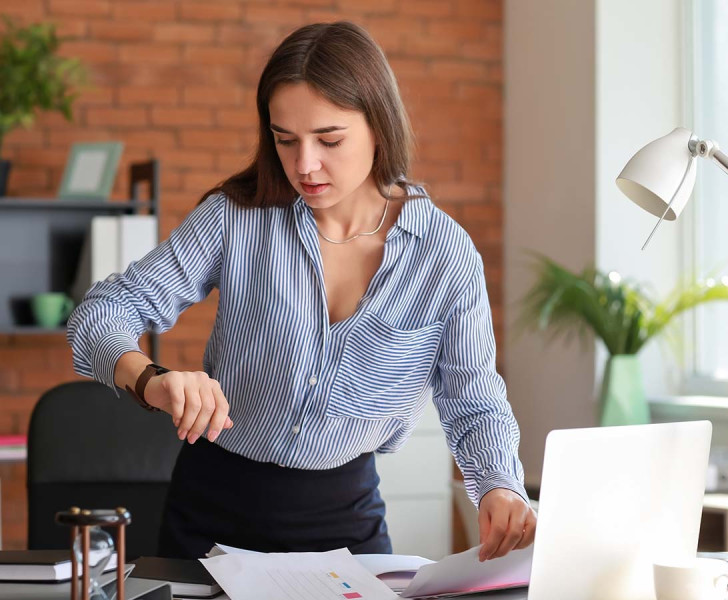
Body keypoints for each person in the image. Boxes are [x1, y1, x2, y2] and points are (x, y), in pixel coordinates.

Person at [66, 21, 535, 562]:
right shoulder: (235, 219)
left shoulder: (444, 255)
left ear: (379, 126)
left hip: (347, 528)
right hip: (210, 517)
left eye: (329, 140)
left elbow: (474, 401)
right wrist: (151, 380)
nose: (304, 164)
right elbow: (101, 313)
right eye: (285, 139)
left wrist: (499, 484)